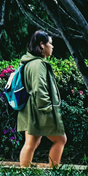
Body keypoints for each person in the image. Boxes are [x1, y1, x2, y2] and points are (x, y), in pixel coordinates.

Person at [16, 31, 68, 168]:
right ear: (42, 45)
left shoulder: (27, 63)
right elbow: (39, 89)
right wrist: (48, 109)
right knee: (61, 139)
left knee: (31, 143)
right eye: (50, 43)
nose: (52, 47)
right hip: (39, 110)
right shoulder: (38, 64)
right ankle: (53, 173)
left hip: (29, 108)